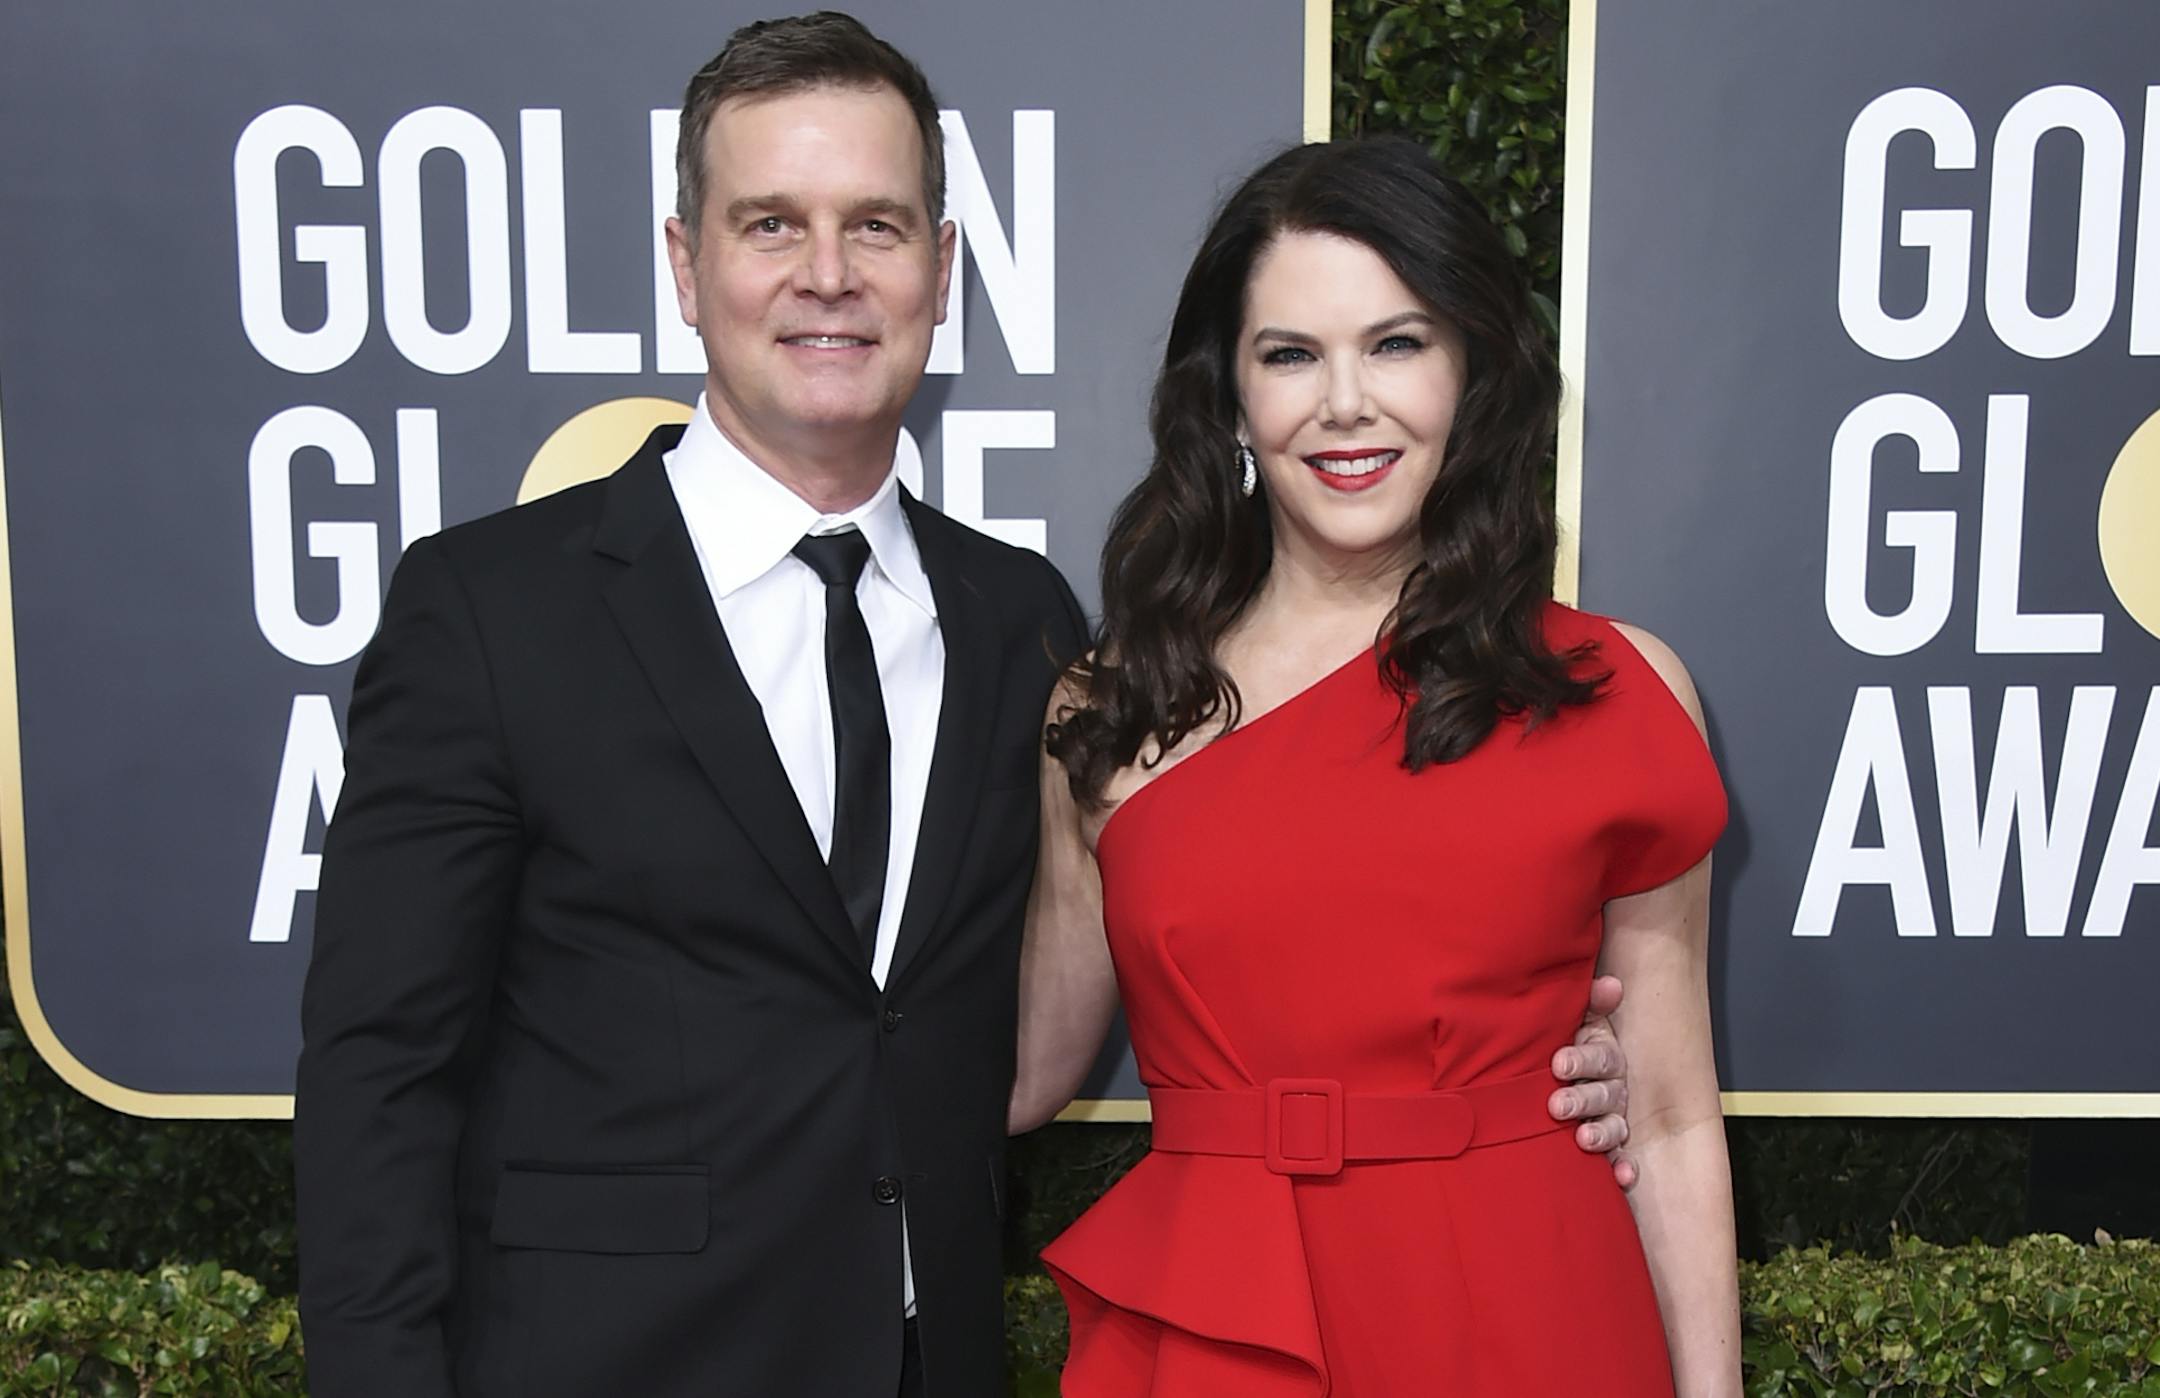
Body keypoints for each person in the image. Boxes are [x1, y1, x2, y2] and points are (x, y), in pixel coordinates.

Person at [293, 13, 1640, 1398]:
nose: (829, 274)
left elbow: (1166, 938)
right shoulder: (491, 610)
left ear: (942, 271)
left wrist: (1535, 1063)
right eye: (771, 224)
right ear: (686, 266)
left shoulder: (1022, 623)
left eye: (876, 226)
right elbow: (378, 1074)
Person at [1019, 137, 1742, 1395]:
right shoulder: (1116, 705)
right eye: (1290, 354)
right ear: (1229, 396)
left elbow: (1672, 1118)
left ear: (1472, 371)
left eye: (1397, 344)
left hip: (1532, 1311)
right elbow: (1021, 1069)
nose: (1345, 402)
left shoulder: (1614, 689)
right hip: (1223, 1335)